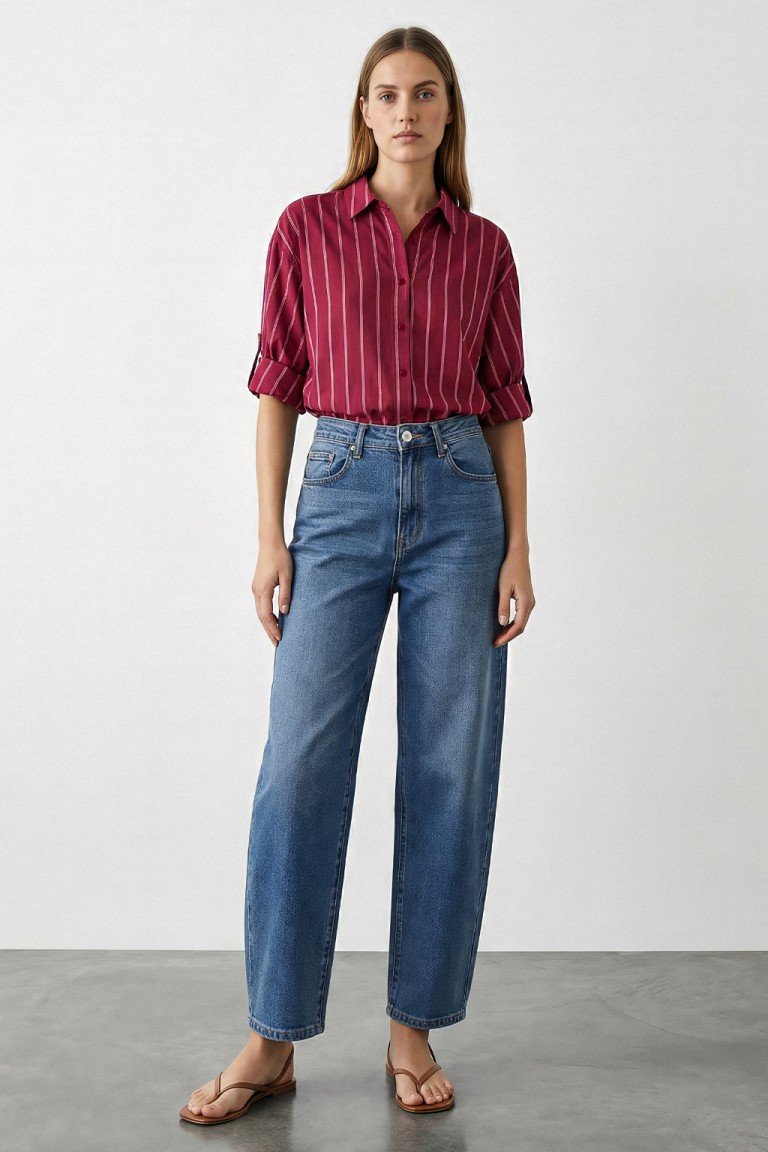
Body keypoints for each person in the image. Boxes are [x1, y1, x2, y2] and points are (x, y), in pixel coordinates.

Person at [180, 24, 535, 1125]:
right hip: (334, 496)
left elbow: (505, 406)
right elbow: (277, 387)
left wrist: (520, 545)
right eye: (387, 94)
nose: (406, 112)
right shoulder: (305, 229)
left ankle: (413, 1026)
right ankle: (272, 1035)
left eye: (425, 93)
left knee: (446, 768)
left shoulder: (486, 249)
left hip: (463, 503)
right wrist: (269, 536)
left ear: (448, 110)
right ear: (364, 111)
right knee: (299, 766)